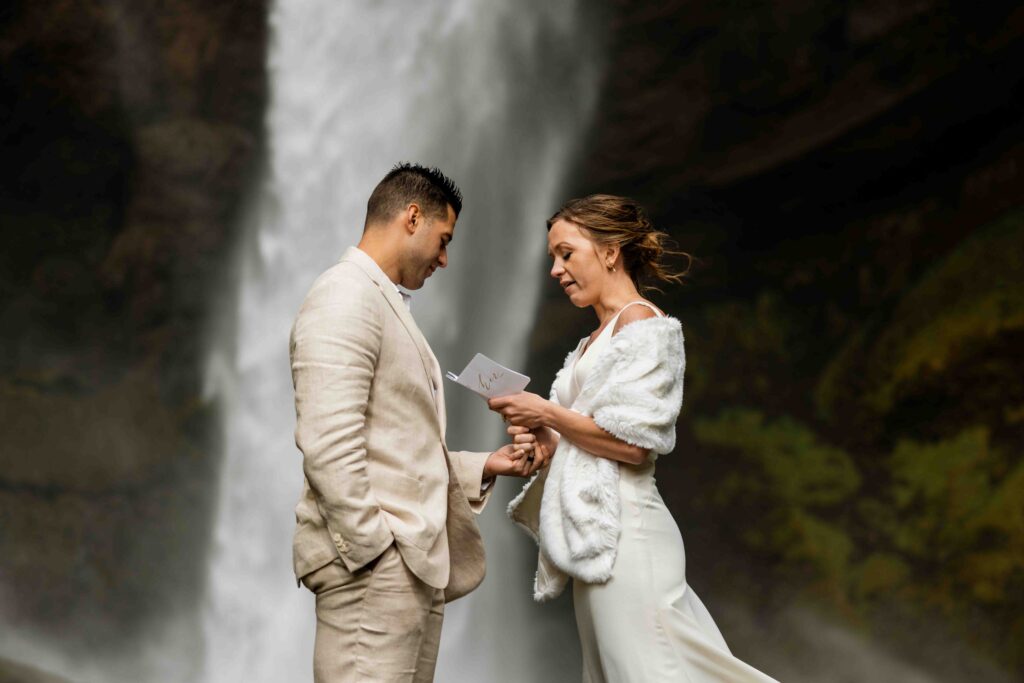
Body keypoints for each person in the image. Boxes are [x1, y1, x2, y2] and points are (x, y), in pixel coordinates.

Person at [491, 194, 779, 682]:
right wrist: (543, 442)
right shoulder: (592, 340)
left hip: (627, 535)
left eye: (566, 253)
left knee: (651, 672)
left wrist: (546, 410)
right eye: (552, 259)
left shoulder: (643, 324)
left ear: (609, 250)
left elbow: (633, 444)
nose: (556, 271)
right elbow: (589, 441)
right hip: (596, 536)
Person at [289, 163, 548, 683]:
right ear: (412, 217)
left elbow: (393, 445)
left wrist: (483, 465)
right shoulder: (344, 295)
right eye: (443, 238)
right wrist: (376, 551)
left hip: (408, 567)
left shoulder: (380, 301)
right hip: (378, 567)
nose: (445, 259)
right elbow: (327, 442)